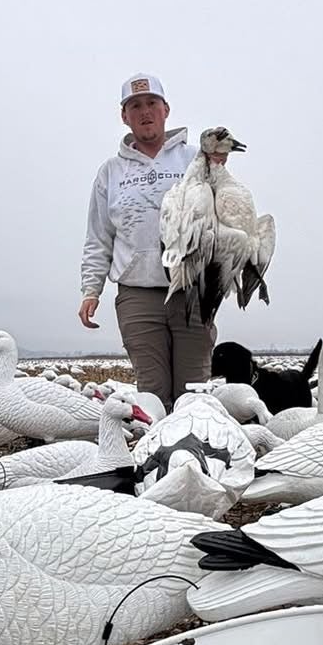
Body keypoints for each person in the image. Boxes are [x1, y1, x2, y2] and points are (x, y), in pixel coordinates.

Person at [78, 73, 216, 411]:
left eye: (152, 103)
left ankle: (195, 460)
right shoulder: (111, 172)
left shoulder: (199, 160)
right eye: (135, 105)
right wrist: (90, 290)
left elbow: (227, 217)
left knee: (193, 391)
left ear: (166, 109)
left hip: (192, 291)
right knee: (151, 393)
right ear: (124, 116)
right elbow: (99, 237)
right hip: (138, 294)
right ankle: (156, 459)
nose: (145, 111)